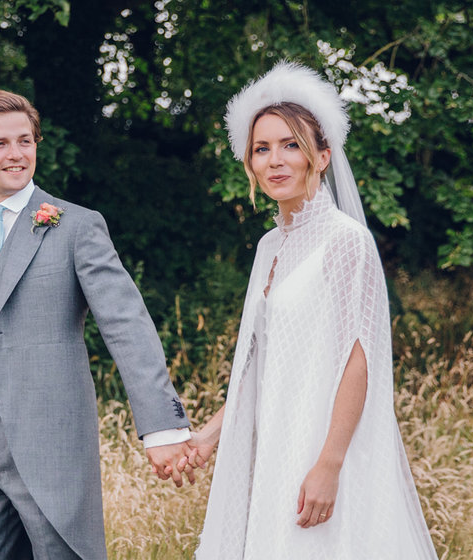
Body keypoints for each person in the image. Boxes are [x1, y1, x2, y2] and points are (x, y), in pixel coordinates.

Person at [0, 89, 195, 560]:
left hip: (51, 446)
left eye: (25, 141)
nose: (16, 154)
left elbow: (127, 326)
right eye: (0, 144)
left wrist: (161, 427)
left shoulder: (76, 227)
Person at [186, 62, 438, 558]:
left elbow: (359, 358)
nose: (276, 160)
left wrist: (330, 463)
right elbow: (259, 364)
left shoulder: (347, 241)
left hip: (322, 449)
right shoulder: (268, 247)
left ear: (321, 157)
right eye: (262, 148)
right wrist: (209, 436)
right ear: (250, 163)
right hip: (272, 448)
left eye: (291, 145)